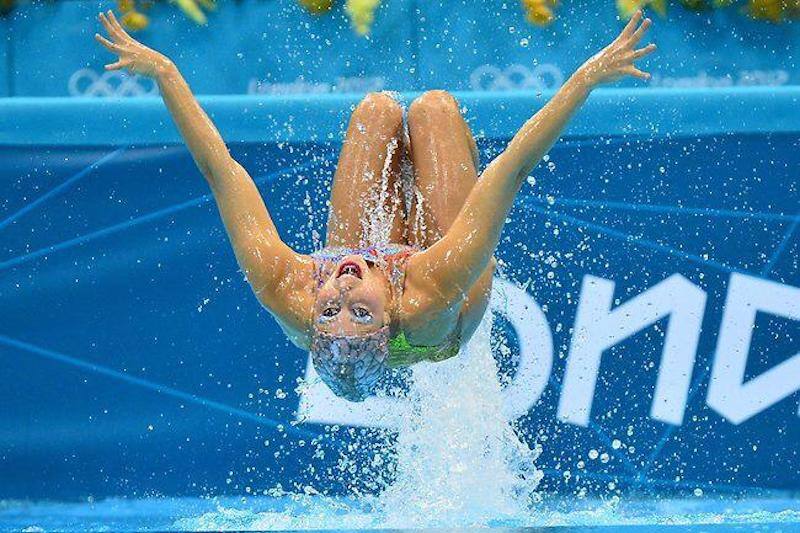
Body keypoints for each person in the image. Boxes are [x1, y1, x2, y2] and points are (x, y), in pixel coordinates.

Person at [95, 10, 656, 401]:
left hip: (381, 276)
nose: (338, 290)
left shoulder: (288, 287)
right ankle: (418, 209)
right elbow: (512, 170)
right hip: (452, 315)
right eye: (357, 311)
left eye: (329, 311)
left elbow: (222, 173)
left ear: (309, 320)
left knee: (377, 111)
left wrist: (166, 73)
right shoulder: (431, 293)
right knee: (434, 111)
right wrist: (587, 77)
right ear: (387, 317)